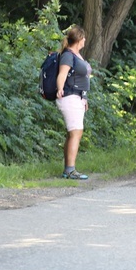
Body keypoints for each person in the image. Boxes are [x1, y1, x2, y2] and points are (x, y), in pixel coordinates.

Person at [55, 25, 92, 180]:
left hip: (77, 98)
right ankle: (70, 170)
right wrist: (60, 89)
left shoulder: (76, 55)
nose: (85, 41)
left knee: (73, 133)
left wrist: (84, 98)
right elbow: (62, 74)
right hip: (69, 97)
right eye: (83, 38)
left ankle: (68, 169)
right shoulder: (68, 55)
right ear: (78, 39)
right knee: (76, 132)